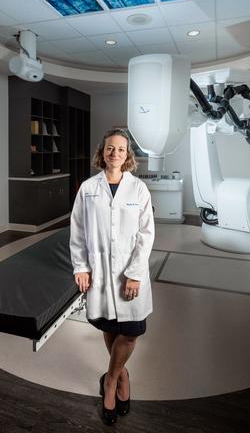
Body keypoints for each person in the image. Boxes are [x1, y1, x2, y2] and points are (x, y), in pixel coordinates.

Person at [69, 128, 155, 426]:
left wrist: (134, 274)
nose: (115, 153)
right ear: (102, 152)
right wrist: (81, 266)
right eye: (110, 148)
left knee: (129, 332)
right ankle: (121, 377)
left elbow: (146, 235)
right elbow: (77, 231)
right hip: (101, 272)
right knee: (109, 324)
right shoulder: (88, 188)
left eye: (120, 149)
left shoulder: (138, 190)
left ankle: (110, 379)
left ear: (127, 154)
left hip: (130, 275)